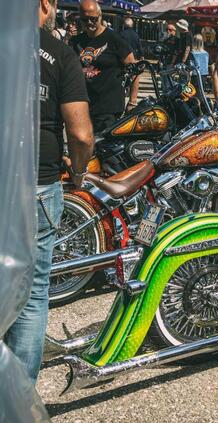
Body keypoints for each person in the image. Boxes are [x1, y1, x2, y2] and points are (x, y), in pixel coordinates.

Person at [4, 0, 93, 383]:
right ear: (45, 4)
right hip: (38, 185)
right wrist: (79, 171)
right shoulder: (59, 54)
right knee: (32, 293)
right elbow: (81, 133)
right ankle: (17, 397)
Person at [70, 0, 136, 133]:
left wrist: (132, 101)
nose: (89, 22)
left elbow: (135, 69)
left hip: (108, 108)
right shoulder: (76, 41)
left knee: (100, 144)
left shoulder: (114, 39)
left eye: (93, 19)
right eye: (85, 19)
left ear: (100, 16)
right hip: (83, 105)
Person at [120, 17, 143, 111]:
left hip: (123, 58)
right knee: (135, 78)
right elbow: (139, 47)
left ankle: (121, 99)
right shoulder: (135, 35)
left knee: (122, 78)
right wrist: (142, 57)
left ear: (124, 25)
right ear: (132, 25)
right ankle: (132, 102)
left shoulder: (121, 34)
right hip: (134, 58)